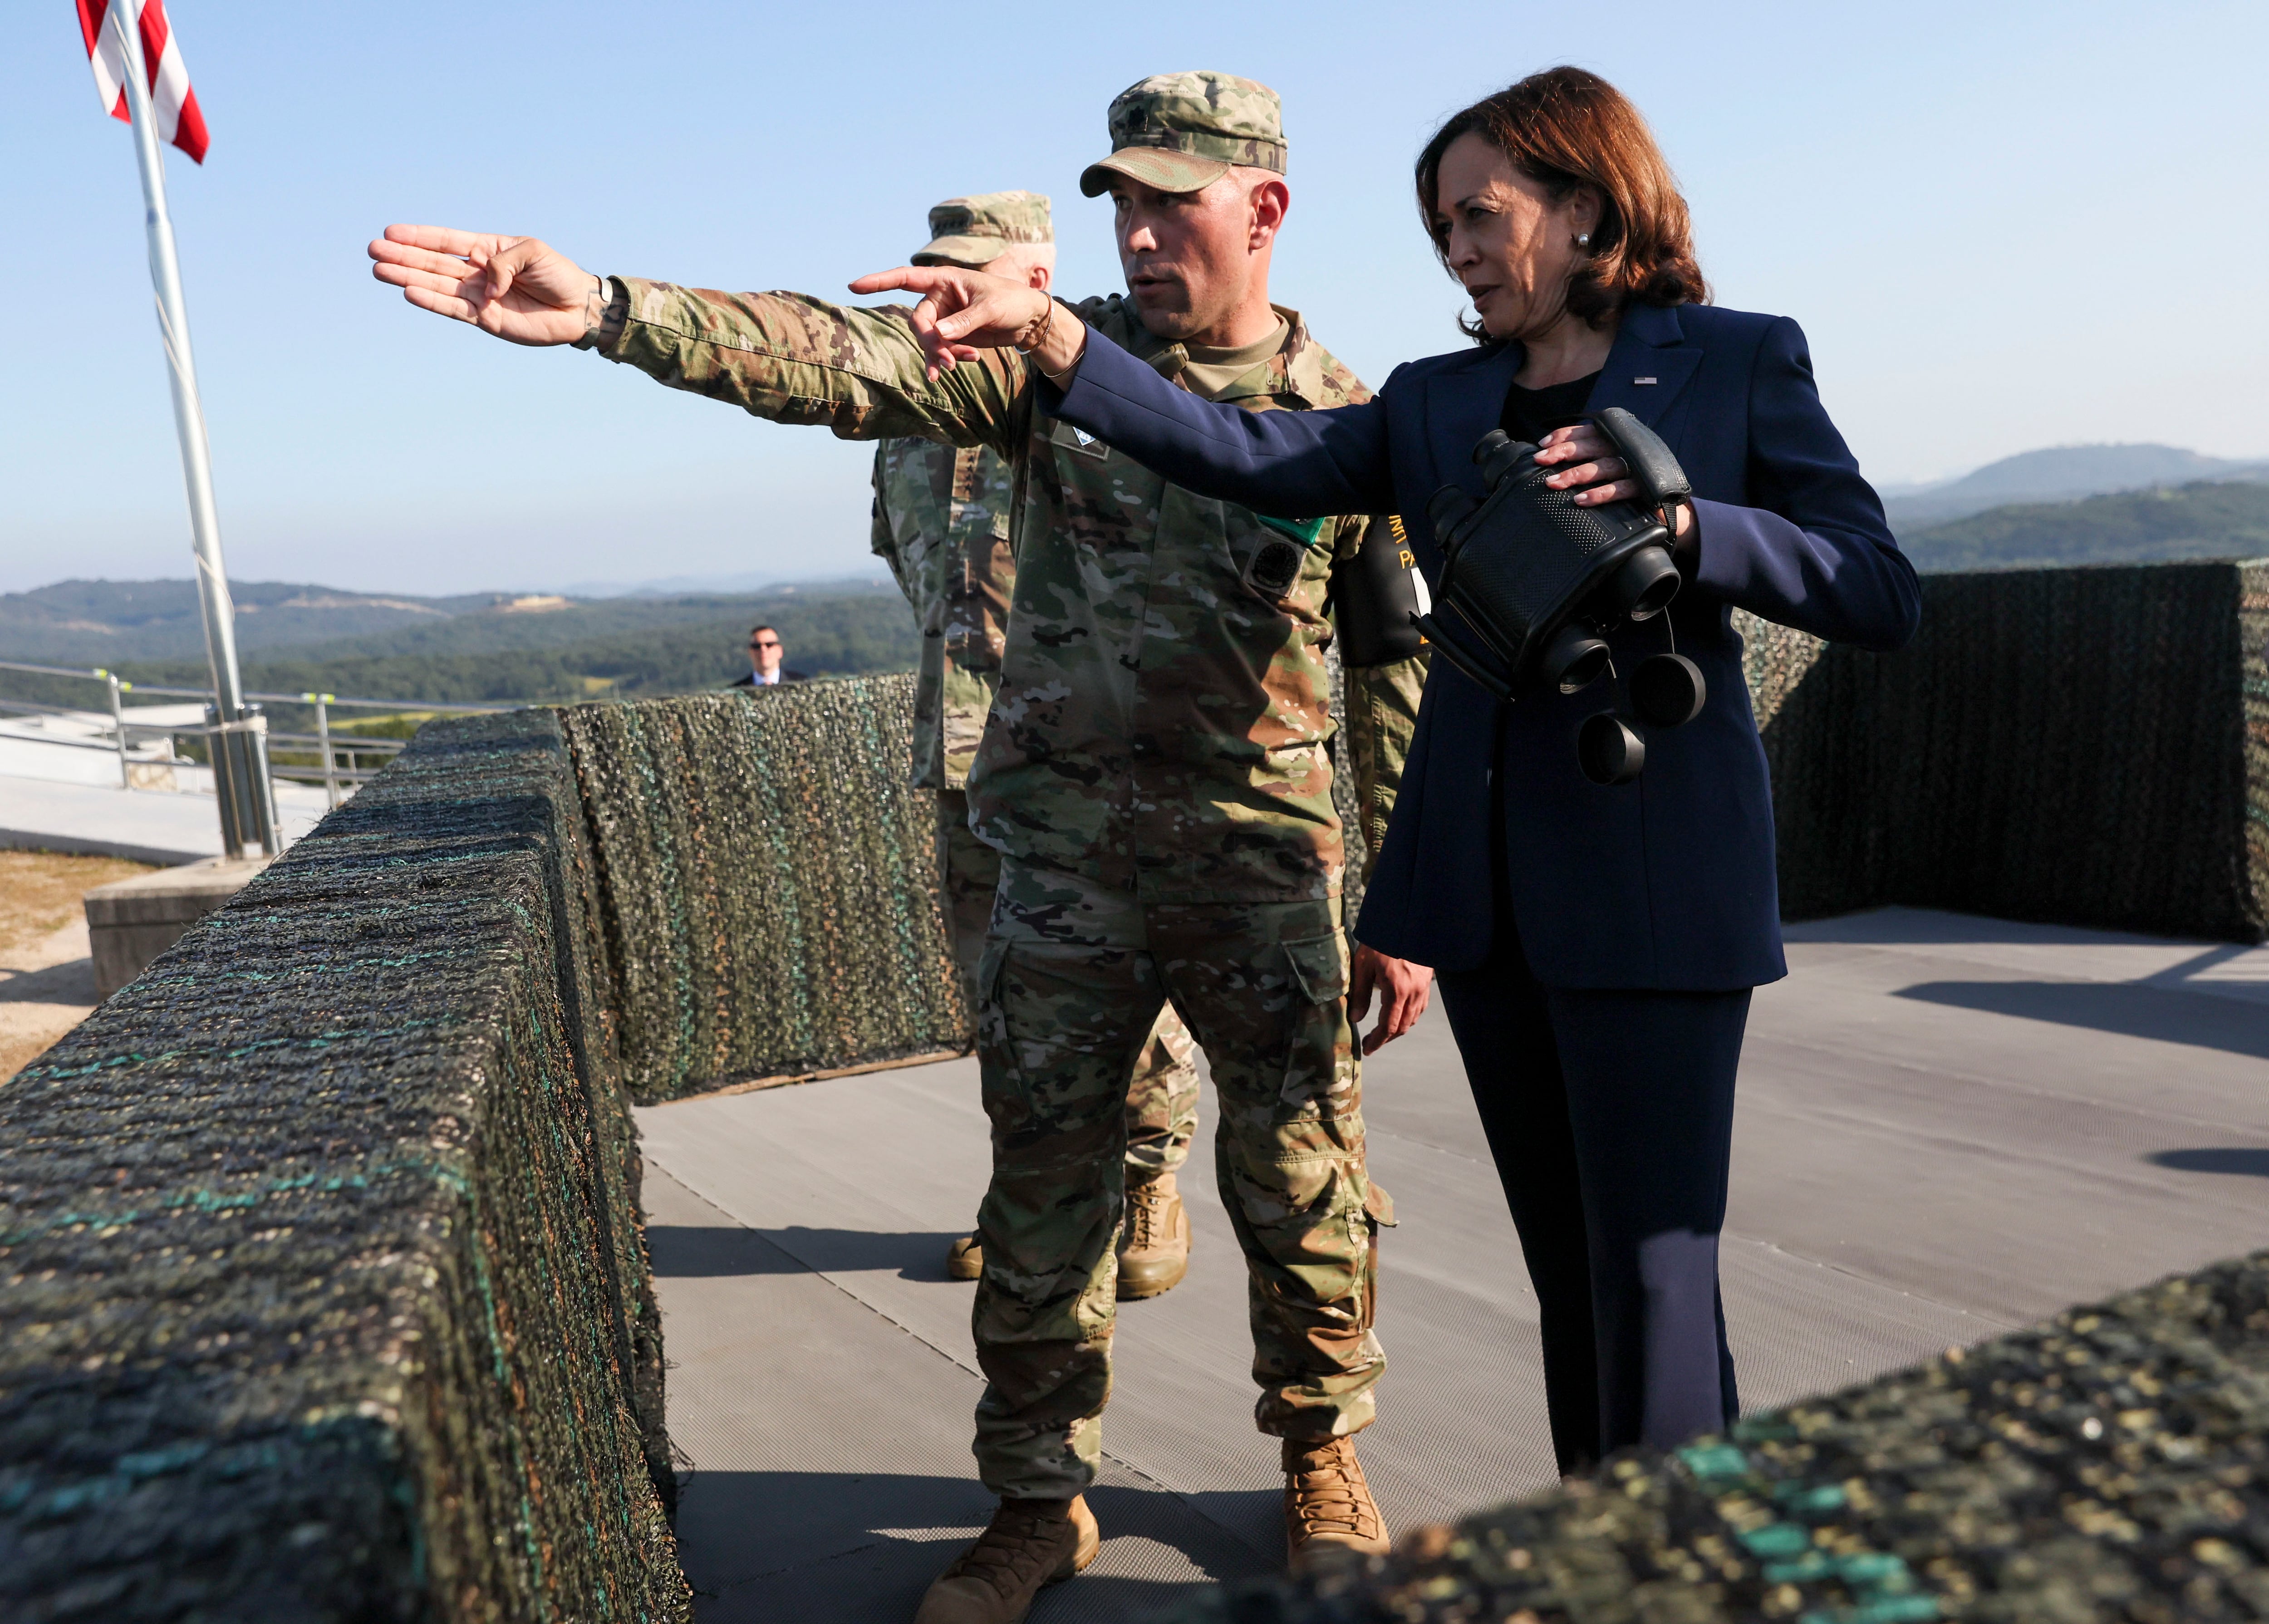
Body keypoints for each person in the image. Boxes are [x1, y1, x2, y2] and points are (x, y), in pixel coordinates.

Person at [368, 69, 1434, 1622]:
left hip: (1262, 870)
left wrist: (1407, 895)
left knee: (1302, 1181)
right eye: (1120, 203)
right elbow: (838, 358)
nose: (1137, 235)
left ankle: (1321, 1457)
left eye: (1172, 202)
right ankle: (1034, 1498)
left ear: (1263, 207)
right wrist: (606, 304)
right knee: (1046, 1187)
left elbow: (1395, 669)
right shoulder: (1050, 369)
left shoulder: (1348, 415)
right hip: (1065, 866)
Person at [874, 65, 1922, 1479]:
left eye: (1481, 215)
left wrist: (1692, 524)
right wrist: (1058, 340)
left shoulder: (1734, 360)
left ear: (1587, 202)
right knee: (1574, 1278)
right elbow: (1242, 449)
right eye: (1441, 227)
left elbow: (1875, 581)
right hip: (1489, 907)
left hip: (1656, 887)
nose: (1458, 250)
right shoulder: (1435, 403)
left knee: (1656, 1274)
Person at [867, 190, 1203, 1299]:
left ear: (1036, 281)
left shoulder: (1093, 391)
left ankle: (1149, 1179)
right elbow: (905, 561)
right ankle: (1038, 1192)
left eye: (977, 273)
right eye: (939, 272)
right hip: (963, 753)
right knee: (1002, 996)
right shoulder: (909, 418)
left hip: (1088, 754)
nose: (951, 296)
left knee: (1126, 990)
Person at [729, 623, 806, 686]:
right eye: (757, 646)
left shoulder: (802, 685)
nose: (763, 650)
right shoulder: (736, 691)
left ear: (780, 651)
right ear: (750, 652)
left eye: (769, 645)